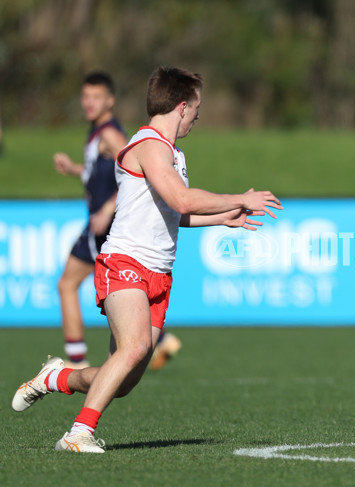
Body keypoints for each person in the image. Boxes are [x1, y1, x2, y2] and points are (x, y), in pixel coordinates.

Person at [13, 66, 283, 453]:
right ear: (181, 106)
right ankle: (77, 434)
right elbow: (182, 199)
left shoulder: (173, 153)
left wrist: (224, 217)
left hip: (158, 273)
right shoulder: (150, 145)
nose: (198, 116)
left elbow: (178, 213)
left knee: (121, 381)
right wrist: (241, 197)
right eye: (196, 108)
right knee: (136, 346)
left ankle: (56, 377)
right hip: (125, 262)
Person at [53, 71, 181, 371]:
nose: (89, 103)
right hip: (102, 224)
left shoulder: (111, 134)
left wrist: (109, 207)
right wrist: (74, 168)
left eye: (96, 97)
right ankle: (160, 339)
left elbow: (133, 168)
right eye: (85, 97)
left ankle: (75, 362)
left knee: (67, 284)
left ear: (110, 100)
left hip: (107, 227)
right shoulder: (98, 132)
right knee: (92, 290)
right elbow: (102, 171)